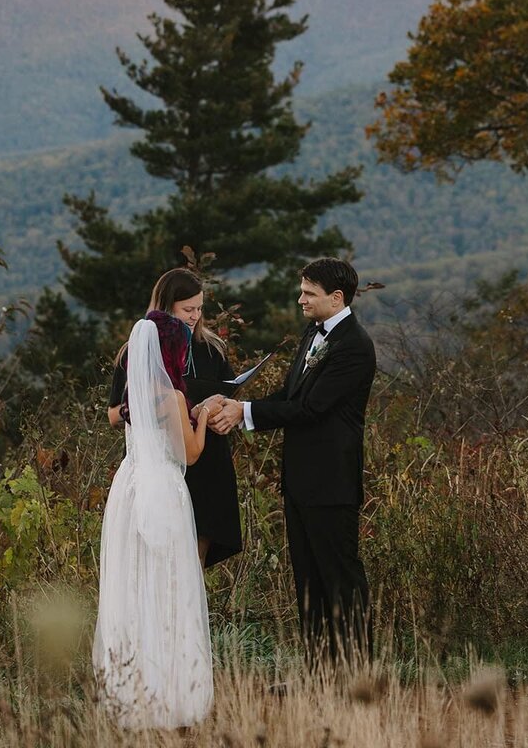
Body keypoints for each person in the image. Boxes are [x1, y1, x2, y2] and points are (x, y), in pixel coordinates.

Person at [210, 257, 376, 662]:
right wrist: (236, 405)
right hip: (301, 480)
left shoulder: (354, 345)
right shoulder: (313, 333)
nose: (300, 299)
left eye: (309, 293)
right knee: (308, 580)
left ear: (336, 298)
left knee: (339, 577)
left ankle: (355, 672)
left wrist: (245, 413)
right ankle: (318, 669)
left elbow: (312, 409)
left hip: (332, 482)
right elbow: (289, 397)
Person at [93, 315, 214, 730]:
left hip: (128, 487)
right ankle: (172, 692)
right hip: (163, 486)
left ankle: (131, 693)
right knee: (169, 586)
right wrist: (204, 417)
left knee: (132, 584)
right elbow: (192, 453)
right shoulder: (173, 398)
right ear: (173, 352)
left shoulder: (134, 392)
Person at [108, 268, 242, 568]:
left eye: (199, 308)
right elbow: (114, 414)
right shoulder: (137, 352)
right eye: (187, 309)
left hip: (208, 461)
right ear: (167, 307)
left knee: (195, 560)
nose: (194, 316)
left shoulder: (212, 349)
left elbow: (231, 394)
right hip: (163, 463)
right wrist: (157, 408)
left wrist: (223, 410)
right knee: (158, 563)